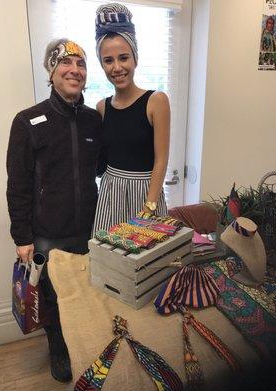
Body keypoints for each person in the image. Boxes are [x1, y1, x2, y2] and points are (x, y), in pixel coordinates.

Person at [6, 39, 102, 382]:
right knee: (52, 298)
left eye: (81, 65)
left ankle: (86, 344)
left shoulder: (93, 121)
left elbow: (102, 168)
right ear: (51, 71)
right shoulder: (28, 121)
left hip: (88, 230)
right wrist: (22, 236)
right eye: (66, 64)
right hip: (47, 234)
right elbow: (17, 185)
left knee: (87, 295)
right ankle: (58, 347)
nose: (74, 70)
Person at [93, 2, 170, 233]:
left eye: (123, 57)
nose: (117, 67)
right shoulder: (101, 107)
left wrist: (150, 205)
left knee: (149, 263)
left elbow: (161, 159)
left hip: (146, 194)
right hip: (110, 193)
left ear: (135, 58)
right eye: (108, 60)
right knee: (109, 263)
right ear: (102, 65)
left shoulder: (156, 101)